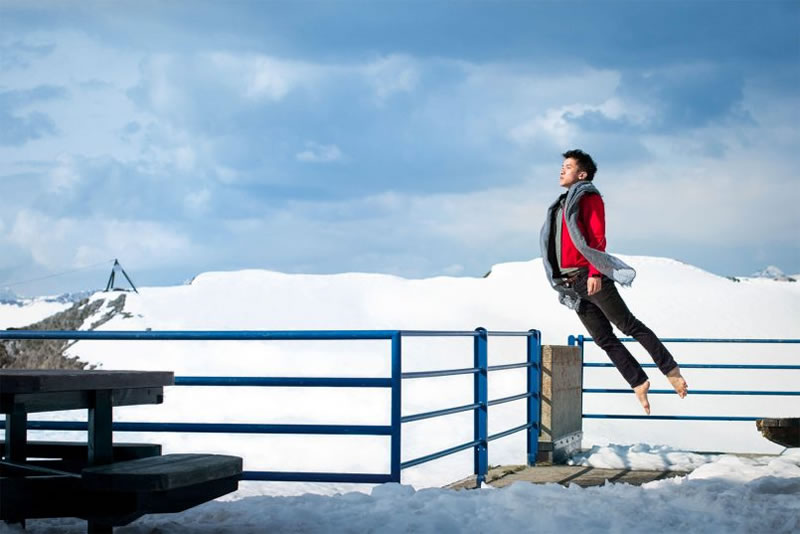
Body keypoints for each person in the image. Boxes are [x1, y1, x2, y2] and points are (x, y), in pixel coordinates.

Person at [539, 149, 688, 414]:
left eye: (568, 166)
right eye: (562, 166)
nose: (562, 170)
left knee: (627, 325)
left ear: (582, 174)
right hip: (572, 284)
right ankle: (639, 381)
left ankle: (670, 369)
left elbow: (597, 237)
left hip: (589, 275)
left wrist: (597, 272)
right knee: (603, 338)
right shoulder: (563, 203)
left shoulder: (588, 196)